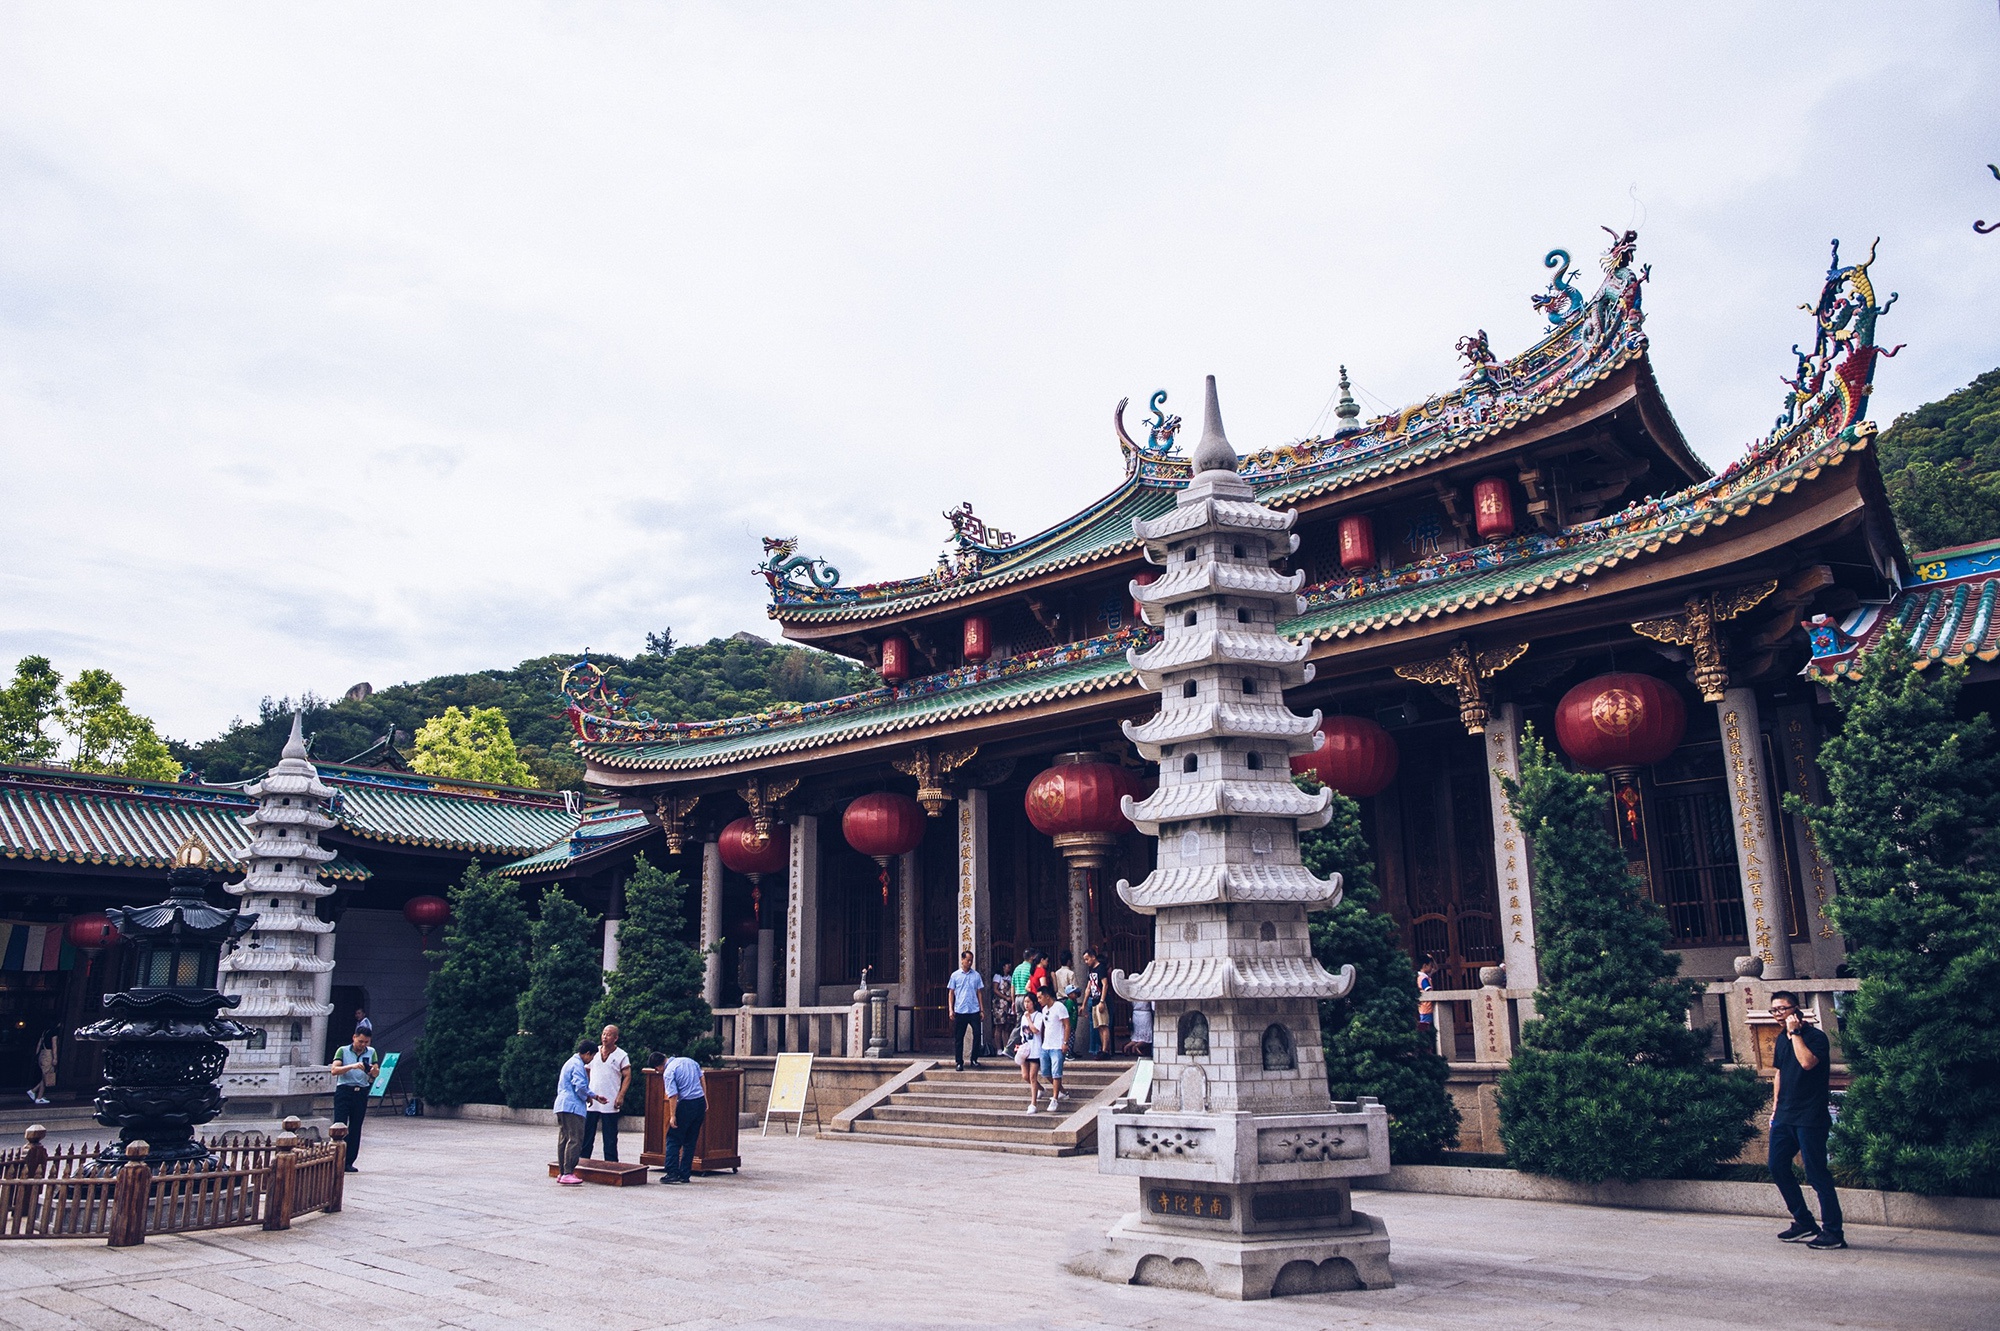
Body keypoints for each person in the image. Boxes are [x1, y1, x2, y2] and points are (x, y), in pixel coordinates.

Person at [1767, 991, 1845, 1250]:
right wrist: (1775, 1108)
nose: (1778, 1015)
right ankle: (1804, 1221)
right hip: (1785, 1116)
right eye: (1774, 1010)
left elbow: (1807, 1062)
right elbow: (1779, 1073)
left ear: (1795, 1010)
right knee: (1777, 1166)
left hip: (1810, 1117)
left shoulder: (1815, 1037)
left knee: (1816, 1173)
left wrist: (1796, 1033)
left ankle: (1833, 1232)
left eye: (1782, 1009)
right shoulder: (1780, 1039)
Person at [329, 1029, 379, 1173]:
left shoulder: (371, 1052)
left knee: (356, 1127)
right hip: (344, 1090)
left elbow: (376, 1072)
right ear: (354, 1038)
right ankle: (336, 1158)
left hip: (361, 1092)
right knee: (340, 1126)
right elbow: (334, 1070)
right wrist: (352, 1066)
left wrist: (371, 1070)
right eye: (360, 1041)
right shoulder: (343, 1051)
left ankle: (349, 1161)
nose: (362, 1045)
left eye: (366, 1042)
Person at [553, 1039, 599, 1185]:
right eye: (591, 1057)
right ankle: (568, 1172)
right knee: (576, 1138)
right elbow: (580, 1086)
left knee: (564, 1139)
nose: (590, 1060)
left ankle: (562, 1172)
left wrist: (589, 1096)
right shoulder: (578, 1065)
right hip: (572, 1107)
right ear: (587, 1053)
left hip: (562, 1105)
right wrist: (592, 1095)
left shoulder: (569, 1062)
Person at [584, 1024, 631, 1162]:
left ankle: (611, 1164)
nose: (605, 1037)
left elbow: (627, 1075)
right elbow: (586, 1070)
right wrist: (587, 1092)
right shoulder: (594, 1052)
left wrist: (621, 1095)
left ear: (615, 1038)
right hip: (593, 1100)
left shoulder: (621, 1055)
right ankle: (583, 1160)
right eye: (604, 1034)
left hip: (610, 1099)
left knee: (610, 1136)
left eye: (609, 1034)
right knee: (587, 1134)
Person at [659, 1051, 707, 1183]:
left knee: (673, 1138)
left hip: (686, 1104)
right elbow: (702, 1078)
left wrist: (673, 1115)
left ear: (658, 1067)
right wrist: (705, 1099)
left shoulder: (669, 1072)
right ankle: (685, 1174)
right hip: (700, 1102)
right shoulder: (689, 1061)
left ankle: (672, 1172)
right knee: (690, 1140)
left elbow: (673, 1095)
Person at [946, 951, 985, 1071]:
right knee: (959, 1037)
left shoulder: (976, 975)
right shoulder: (955, 975)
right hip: (960, 1010)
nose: (969, 963)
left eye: (971, 960)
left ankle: (974, 1059)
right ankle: (959, 1062)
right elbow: (951, 993)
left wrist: (982, 1009)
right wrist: (951, 1009)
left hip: (974, 1009)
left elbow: (979, 992)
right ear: (962, 960)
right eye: (968, 960)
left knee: (978, 1034)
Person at [1035, 987, 1069, 1111]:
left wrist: (1065, 1042)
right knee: (1045, 1072)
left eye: (1040, 997)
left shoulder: (1059, 1007)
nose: (1038, 1000)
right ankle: (1063, 1091)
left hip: (1057, 1045)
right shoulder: (1044, 1010)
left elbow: (1067, 1025)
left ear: (1047, 996)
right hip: (1046, 1045)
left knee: (1056, 1072)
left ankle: (1054, 1099)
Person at [1012, 991, 1044, 1112]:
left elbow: (1036, 1030)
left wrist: (1029, 1019)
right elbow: (1022, 1034)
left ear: (1033, 1003)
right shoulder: (1023, 1017)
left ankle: (1033, 1103)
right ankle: (1040, 1089)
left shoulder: (1038, 1016)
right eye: (1025, 1002)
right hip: (1025, 1048)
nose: (1026, 1004)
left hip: (1035, 1049)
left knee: (1032, 1076)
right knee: (1025, 1076)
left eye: (1028, 1002)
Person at [28, 1030, 56, 1105]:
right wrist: (55, 1058)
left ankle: (35, 1091)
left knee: (45, 1075)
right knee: (46, 1076)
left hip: (42, 1053)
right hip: (48, 1054)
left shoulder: (44, 1032)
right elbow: (54, 1046)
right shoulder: (53, 1033)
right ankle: (38, 1097)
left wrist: (37, 1055)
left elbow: (39, 1044)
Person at [1416, 958, 1438, 1045]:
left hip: (1423, 1007)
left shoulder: (1422, 976)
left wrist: (1432, 959)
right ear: (1425, 966)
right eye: (1430, 965)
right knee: (1425, 1028)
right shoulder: (1423, 978)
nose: (1431, 967)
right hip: (1426, 1007)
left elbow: (1435, 969)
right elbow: (1428, 990)